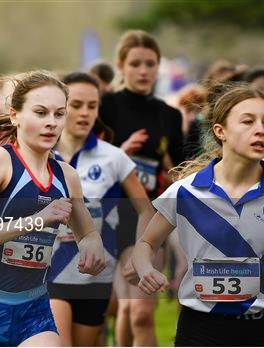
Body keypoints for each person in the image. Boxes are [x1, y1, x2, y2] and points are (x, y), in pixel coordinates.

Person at [132, 83, 264, 346]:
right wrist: (146, 269)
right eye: (248, 122)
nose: (260, 129)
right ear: (220, 131)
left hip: (259, 329)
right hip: (199, 327)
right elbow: (146, 244)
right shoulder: (185, 191)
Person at [0, 70, 106, 347]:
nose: (51, 123)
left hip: (34, 310)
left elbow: (87, 234)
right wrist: (36, 220)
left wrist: (92, 246)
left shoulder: (67, 176)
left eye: (59, 114)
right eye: (40, 113)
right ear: (15, 116)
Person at [47, 72, 154, 346]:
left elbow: (146, 211)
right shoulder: (42, 153)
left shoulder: (113, 157)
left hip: (95, 276)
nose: (85, 113)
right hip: (47, 272)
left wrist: (138, 253)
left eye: (92, 106)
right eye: (76, 105)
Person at [99, 29, 184, 346]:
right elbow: (83, 158)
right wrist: (120, 153)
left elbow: (181, 168)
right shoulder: (104, 106)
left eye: (150, 63)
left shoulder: (169, 115)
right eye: (136, 63)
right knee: (111, 309)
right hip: (104, 215)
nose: (144, 71)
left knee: (140, 312)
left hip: (145, 218)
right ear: (121, 65)